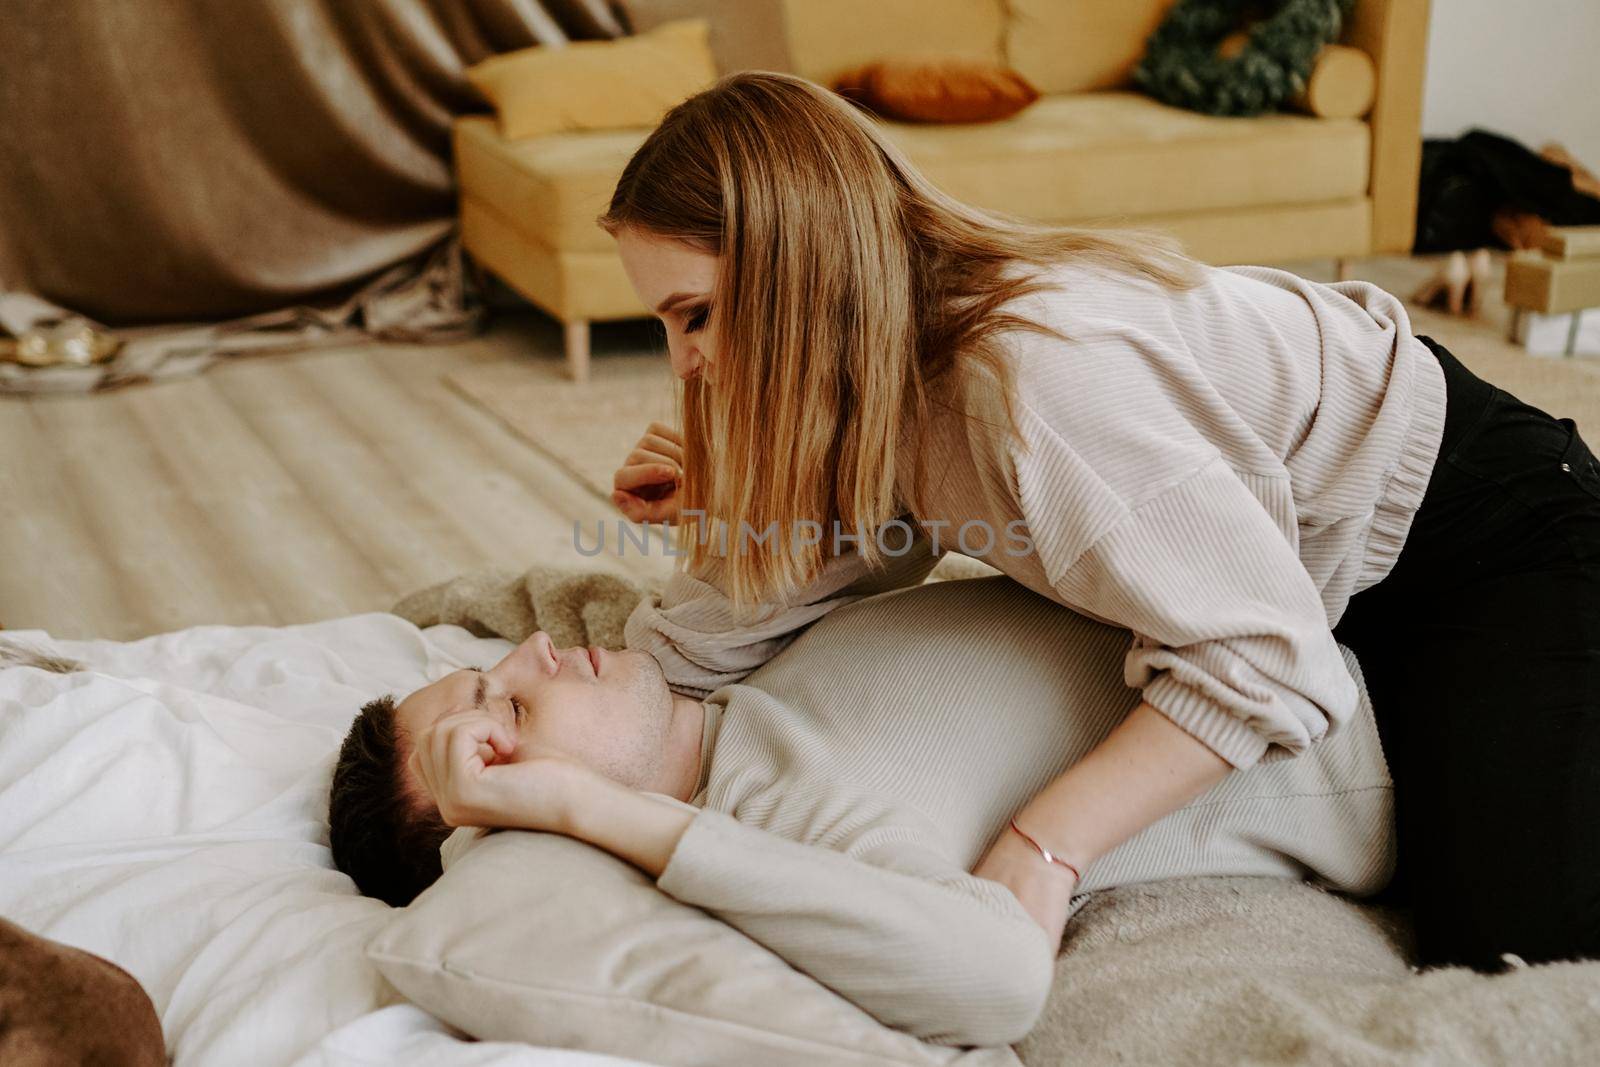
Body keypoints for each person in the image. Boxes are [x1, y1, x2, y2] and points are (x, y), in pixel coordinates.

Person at [600, 70, 1600, 972]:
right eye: (665, 323)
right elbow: (773, 607)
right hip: (1318, 554)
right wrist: (740, 514)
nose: (683, 362)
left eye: (695, 314)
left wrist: (1042, 847)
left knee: (1513, 959)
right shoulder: (858, 380)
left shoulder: (1034, 381)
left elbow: (1266, 652)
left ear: (798, 270)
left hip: (1493, 526)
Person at [329, 575, 1393, 1045]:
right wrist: (588, 806)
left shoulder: (729, 685)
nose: (536, 650)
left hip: (1317, 589)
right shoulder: (780, 821)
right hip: (1392, 725)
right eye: (508, 704)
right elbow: (997, 978)